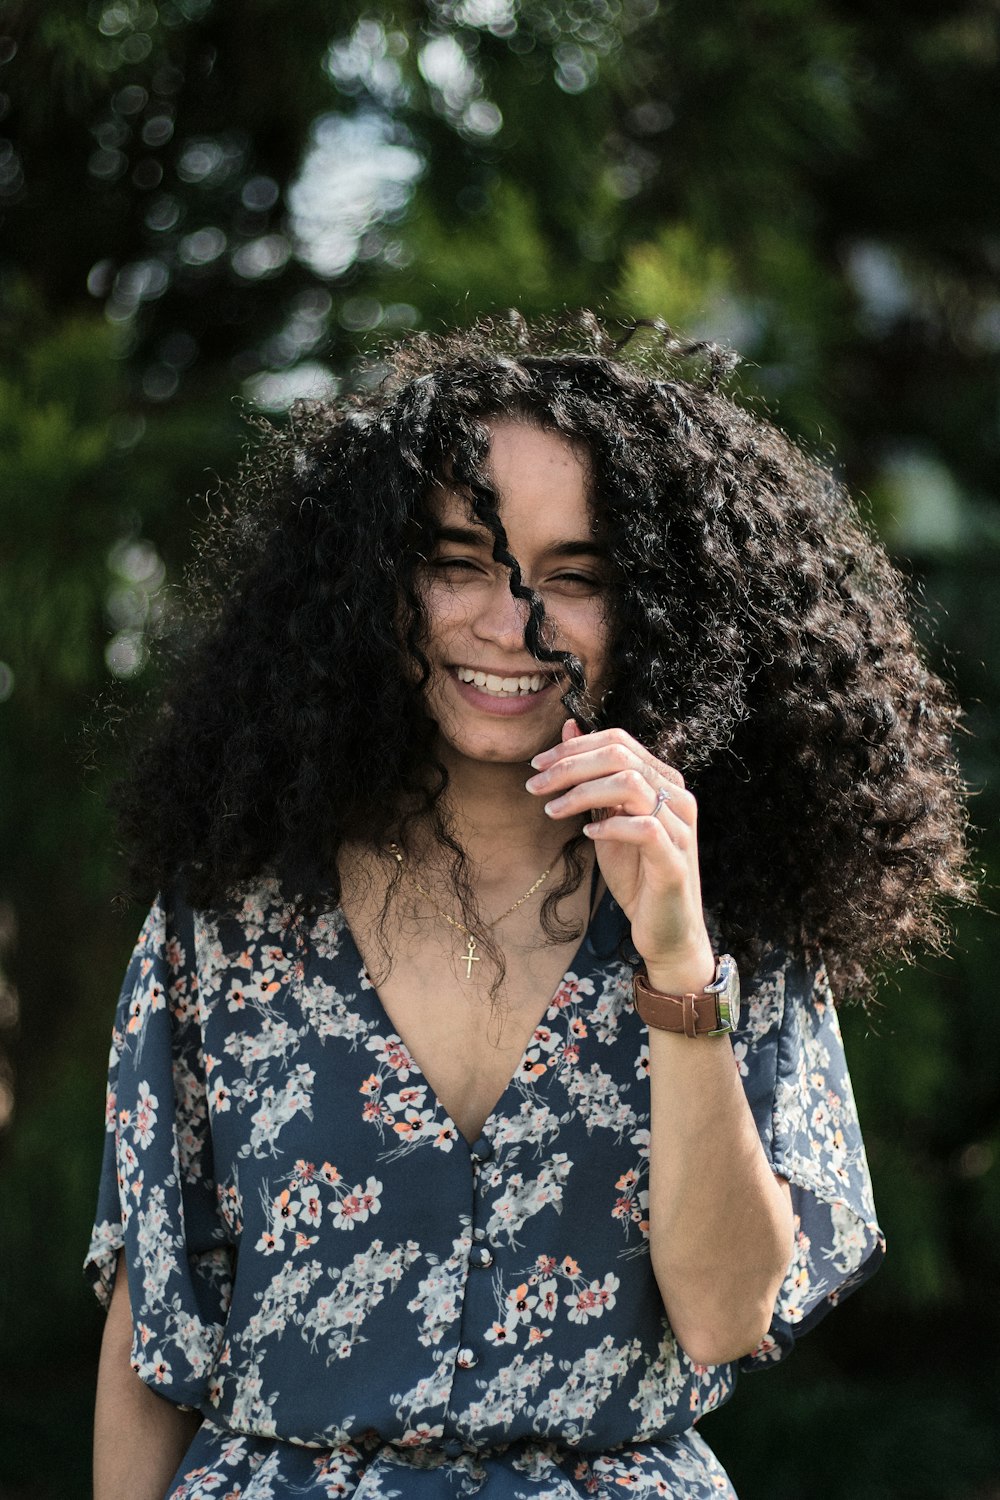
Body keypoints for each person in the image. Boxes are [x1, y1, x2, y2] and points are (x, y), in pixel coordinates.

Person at [86, 313, 969, 1500]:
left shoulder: (722, 912)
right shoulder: (230, 910)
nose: (512, 627)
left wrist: (672, 953)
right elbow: (159, 1322)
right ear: (371, 585)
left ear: (664, 611)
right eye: (459, 563)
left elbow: (720, 1318)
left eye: (578, 578)